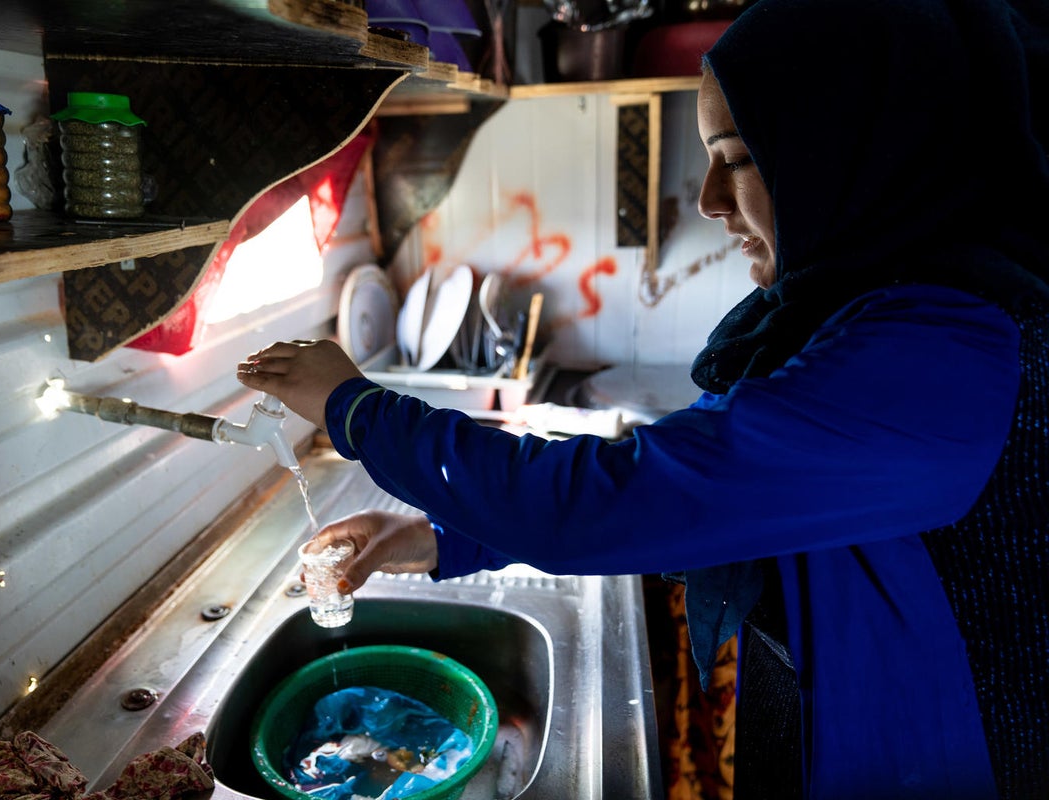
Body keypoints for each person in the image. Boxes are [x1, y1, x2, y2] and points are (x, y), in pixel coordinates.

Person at [237, 0, 1049, 796]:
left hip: (929, 757)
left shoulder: (946, 353)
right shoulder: (864, 312)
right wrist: (438, 538)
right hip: (848, 717)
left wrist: (354, 407)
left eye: (737, 157)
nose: (711, 203)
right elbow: (701, 490)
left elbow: (613, 501)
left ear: (847, 143)